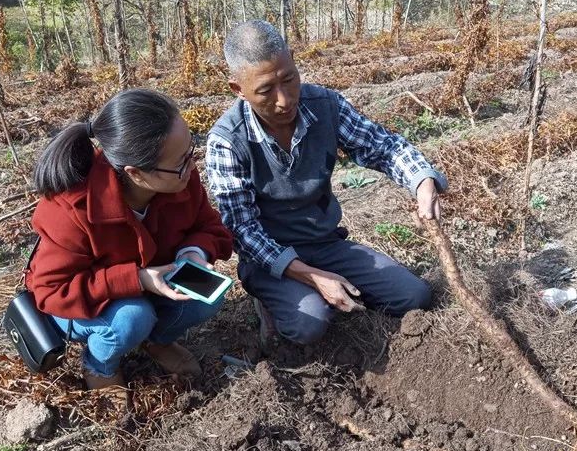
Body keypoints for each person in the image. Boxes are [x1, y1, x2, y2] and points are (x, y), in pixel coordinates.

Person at [206, 20, 447, 353]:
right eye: (265, 91)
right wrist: (309, 276)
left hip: (324, 243)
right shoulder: (227, 141)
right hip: (269, 259)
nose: (284, 99)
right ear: (239, 89)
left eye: (289, 79)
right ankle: (272, 304)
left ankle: (333, 290)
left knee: (414, 296)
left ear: (292, 60)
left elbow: (384, 147)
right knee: (309, 323)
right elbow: (242, 228)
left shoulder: (324, 105)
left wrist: (423, 182)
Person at [27, 88, 233, 407]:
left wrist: (193, 253)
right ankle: (99, 365)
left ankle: (158, 341)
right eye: (181, 162)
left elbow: (211, 227)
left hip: (150, 283)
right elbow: (51, 292)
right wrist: (136, 280)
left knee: (209, 291)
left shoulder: (178, 177)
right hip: (84, 304)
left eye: (190, 151)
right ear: (135, 174)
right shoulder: (72, 208)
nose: (193, 167)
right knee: (132, 317)